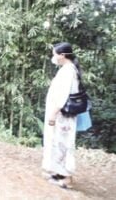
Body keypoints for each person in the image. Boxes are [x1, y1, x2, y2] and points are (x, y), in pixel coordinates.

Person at [42, 42, 80, 189]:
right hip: (61, 114)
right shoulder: (67, 69)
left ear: (62, 55)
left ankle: (67, 178)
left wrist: (53, 113)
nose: (54, 57)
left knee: (64, 144)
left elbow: (63, 96)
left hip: (62, 115)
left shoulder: (68, 72)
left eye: (55, 54)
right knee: (58, 143)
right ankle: (59, 173)